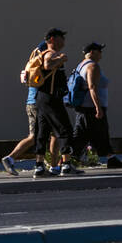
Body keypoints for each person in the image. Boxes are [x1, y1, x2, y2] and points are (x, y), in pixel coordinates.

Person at [1, 40, 59, 175]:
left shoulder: (32, 63)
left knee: (45, 135)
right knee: (44, 135)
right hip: (39, 103)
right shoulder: (43, 63)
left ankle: (52, 166)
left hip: (32, 102)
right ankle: (11, 158)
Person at [68, 42, 122, 169]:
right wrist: (98, 107)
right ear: (92, 52)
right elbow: (92, 87)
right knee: (83, 135)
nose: (101, 54)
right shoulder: (92, 66)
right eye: (99, 51)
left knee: (97, 133)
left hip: (85, 107)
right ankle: (68, 161)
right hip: (91, 108)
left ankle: (111, 158)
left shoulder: (81, 65)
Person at [33, 27, 81, 177]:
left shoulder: (42, 53)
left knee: (42, 132)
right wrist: (61, 59)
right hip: (52, 98)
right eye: (62, 38)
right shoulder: (51, 53)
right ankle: (66, 165)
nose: (64, 41)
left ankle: (39, 166)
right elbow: (48, 65)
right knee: (65, 129)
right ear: (52, 39)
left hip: (41, 98)